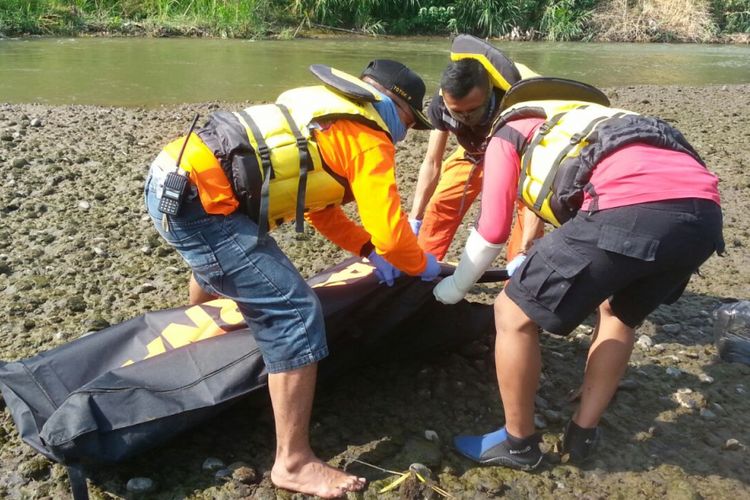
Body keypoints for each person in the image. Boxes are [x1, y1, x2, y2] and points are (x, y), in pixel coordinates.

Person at [145, 59, 440, 498]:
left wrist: (366, 251)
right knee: (296, 313)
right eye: (410, 123)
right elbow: (394, 236)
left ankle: (201, 339)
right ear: (398, 108)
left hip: (170, 179)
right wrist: (422, 265)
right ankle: (294, 463)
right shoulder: (369, 137)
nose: (405, 134)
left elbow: (321, 208)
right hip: (200, 204)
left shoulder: (327, 113)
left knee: (219, 262)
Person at [433, 77, 724, 469]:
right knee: (619, 313)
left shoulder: (511, 127)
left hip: (630, 207)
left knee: (511, 313)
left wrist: (452, 288)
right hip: (703, 217)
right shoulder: (599, 117)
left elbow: (492, 232)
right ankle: (582, 433)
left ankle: (518, 443)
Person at [408, 34, 543, 267]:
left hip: (519, 158)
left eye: (471, 111)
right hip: (473, 152)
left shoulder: (516, 108)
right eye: (456, 112)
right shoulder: (441, 105)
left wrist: (527, 245)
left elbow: (537, 179)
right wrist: (414, 217)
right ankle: (421, 264)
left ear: (489, 92)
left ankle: (520, 270)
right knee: (442, 202)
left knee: (523, 216)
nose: (464, 117)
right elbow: (432, 162)